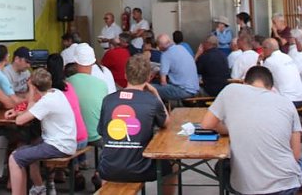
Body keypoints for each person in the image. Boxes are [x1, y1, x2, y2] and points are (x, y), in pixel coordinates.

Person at [202, 66, 302, 195]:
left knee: (221, 166)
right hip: (286, 186)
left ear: (245, 82)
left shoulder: (231, 90)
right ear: (271, 87)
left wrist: (229, 129)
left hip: (246, 189)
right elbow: (295, 155)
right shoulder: (287, 103)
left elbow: (207, 124)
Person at [98, 54, 176, 195]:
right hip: (140, 169)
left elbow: (102, 132)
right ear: (148, 78)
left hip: (108, 169)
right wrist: (155, 93)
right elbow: (166, 122)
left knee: (108, 159)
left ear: (125, 75)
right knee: (174, 164)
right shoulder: (151, 101)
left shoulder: (108, 100)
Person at [7, 69, 77, 195]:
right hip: (66, 142)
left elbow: (19, 121)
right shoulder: (56, 93)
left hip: (58, 145)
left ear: (34, 87)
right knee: (25, 150)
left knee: (14, 158)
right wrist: (18, 112)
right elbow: (33, 110)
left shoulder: (46, 102)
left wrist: (31, 93)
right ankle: (36, 187)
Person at [46, 53, 88, 191]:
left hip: (70, 141)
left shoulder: (49, 91)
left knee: (44, 137)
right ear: (63, 68)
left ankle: (49, 182)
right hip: (83, 137)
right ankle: (67, 171)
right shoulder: (69, 86)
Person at [153, 33, 199, 101]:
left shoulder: (165, 55)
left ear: (159, 46)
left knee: (149, 88)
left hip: (183, 91)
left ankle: (160, 107)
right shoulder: (181, 47)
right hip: (194, 88)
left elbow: (163, 82)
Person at [261, 38, 302, 107]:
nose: (262, 51)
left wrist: (259, 61)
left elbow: (261, 80)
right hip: (300, 99)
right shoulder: (287, 57)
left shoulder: (269, 61)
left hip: (287, 100)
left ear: (266, 48)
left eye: (262, 48)